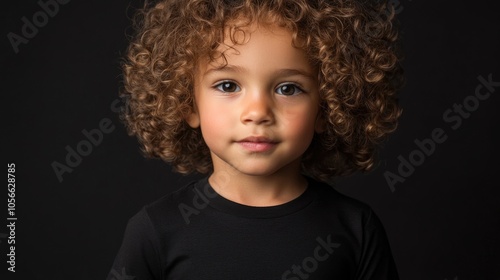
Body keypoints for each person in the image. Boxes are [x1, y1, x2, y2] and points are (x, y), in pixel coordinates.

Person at [107, 0, 403, 279]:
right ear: (188, 104)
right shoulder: (156, 231)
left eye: (288, 89)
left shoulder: (356, 229)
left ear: (327, 107)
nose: (258, 112)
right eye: (228, 85)